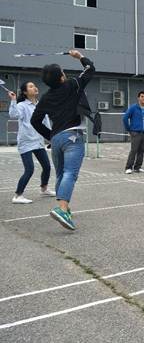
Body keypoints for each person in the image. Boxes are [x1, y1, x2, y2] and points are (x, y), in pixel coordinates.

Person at [30, 50, 94, 230]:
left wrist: (50, 135)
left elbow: (34, 121)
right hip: (72, 136)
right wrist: (80, 57)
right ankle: (62, 209)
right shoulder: (72, 84)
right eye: (63, 72)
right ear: (61, 78)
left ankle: (63, 207)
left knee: (61, 175)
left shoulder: (45, 98)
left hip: (56, 139)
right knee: (70, 174)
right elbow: (90, 69)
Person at [8, 82, 55, 204]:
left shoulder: (40, 105)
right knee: (29, 169)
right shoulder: (22, 105)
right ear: (25, 92)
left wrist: (51, 137)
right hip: (26, 142)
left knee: (47, 166)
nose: (34, 87)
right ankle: (18, 196)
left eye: (34, 85)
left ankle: (44, 189)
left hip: (38, 141)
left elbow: (45, 122)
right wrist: (13, 100)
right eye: (30, 86)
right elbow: (13, 114)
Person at [123, 91, 144, 174]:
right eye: (142, 96)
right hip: (135, 133)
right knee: (134, 150)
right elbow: (125, 118)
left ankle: (137, 167)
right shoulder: (133, 108)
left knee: (142, 150)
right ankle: (128, 167)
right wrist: (129, 129)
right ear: (138, 98)